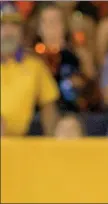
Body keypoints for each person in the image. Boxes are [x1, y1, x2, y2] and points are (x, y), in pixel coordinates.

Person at [1, 2, 60, 136]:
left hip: (20, 146)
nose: (8, 31)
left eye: (14, 25)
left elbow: (49, 111)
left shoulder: (35, 66)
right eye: (2, 25)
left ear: (22, 31)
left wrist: (51, 149)